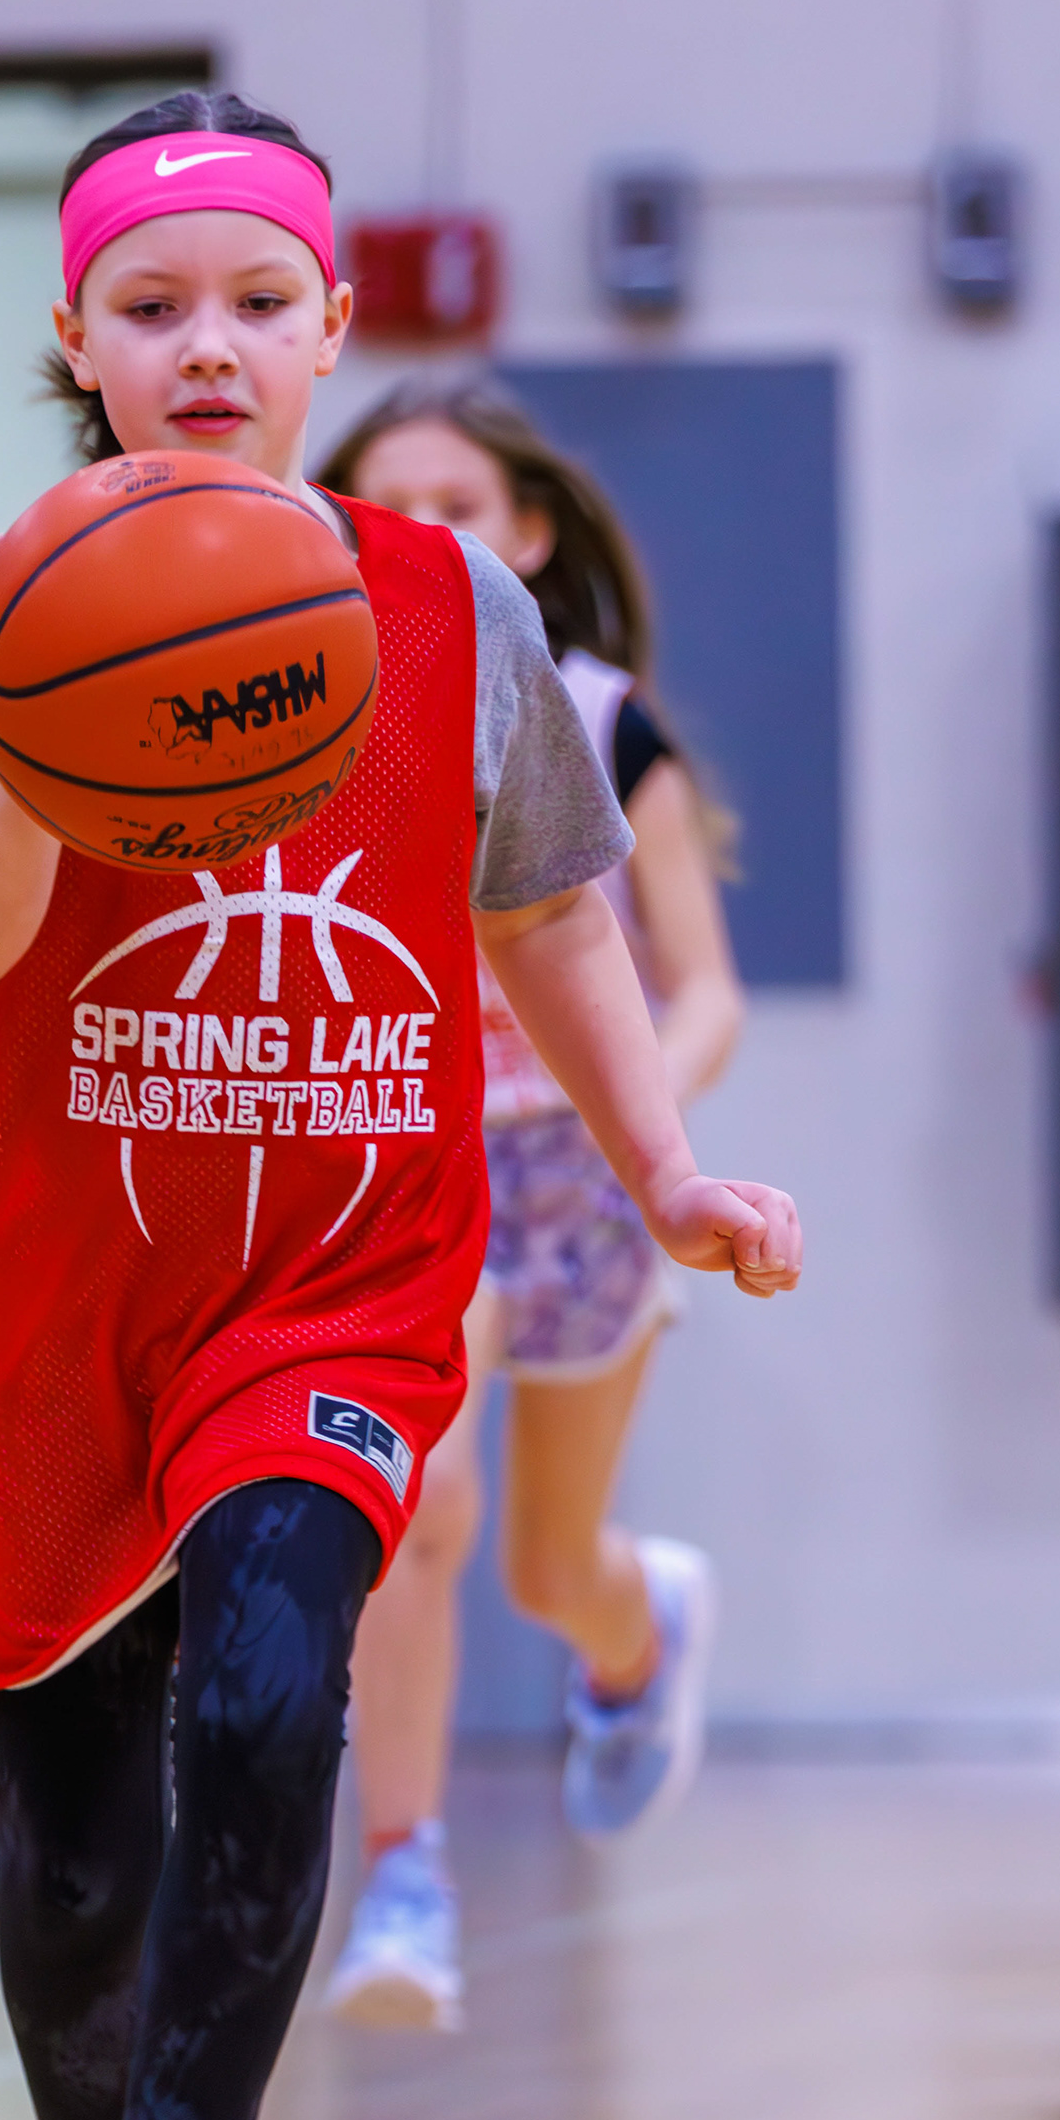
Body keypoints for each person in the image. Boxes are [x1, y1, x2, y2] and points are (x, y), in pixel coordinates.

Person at [0, 88, 800, 2120]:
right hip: (74, 1295)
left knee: (278, 1686)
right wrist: (54, 714)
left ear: (329, 327)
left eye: (257, 303)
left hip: (338, 1280)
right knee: (74, 1873)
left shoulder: (449, 603)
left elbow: (550, 911)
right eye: (154, 306)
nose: (208, 345)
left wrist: (665, 1165)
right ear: (77, 337)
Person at [317, 377, 746, 2032]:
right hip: (410, 1152)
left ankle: (640, 1633)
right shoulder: (306, 708)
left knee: (549, 1569)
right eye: (390, 506)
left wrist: (649, 1135)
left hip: (583, 1165)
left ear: (531, 535)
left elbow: (704, 990)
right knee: (417, 1501)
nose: (427, 534)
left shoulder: (605, 721)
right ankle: (404, 1876)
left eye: (462, 505)